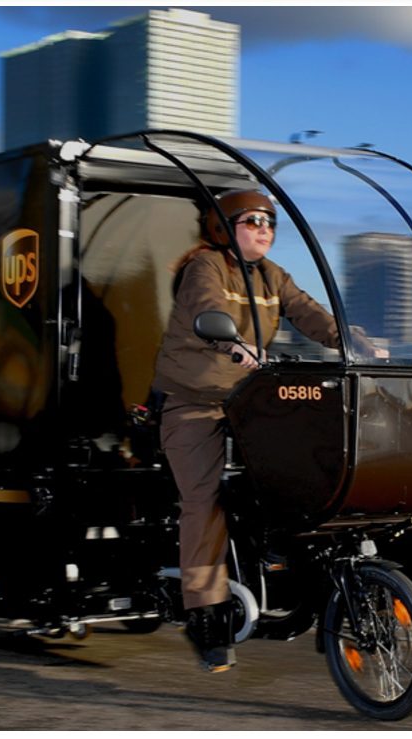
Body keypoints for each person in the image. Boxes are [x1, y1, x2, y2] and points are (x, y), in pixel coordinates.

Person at [152, 188, 383, 672]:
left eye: (271, 223)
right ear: (222, 227)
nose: (264, 229)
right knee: (203, 498)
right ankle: (206, 617)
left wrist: (361, 344)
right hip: (196, 402)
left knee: (305, 473)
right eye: (252, 220)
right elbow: (204, 312)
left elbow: (311, 315)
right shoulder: (206, 267)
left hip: (251, 401)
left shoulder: (274, 276)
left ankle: (303, 581)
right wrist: (237, 349)